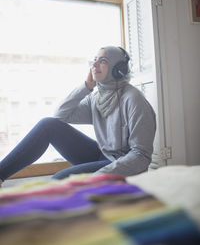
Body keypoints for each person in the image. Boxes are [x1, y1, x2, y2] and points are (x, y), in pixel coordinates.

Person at [0, 46, 156, 186]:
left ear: (118, 69)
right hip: (102, 155)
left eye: (102, 61)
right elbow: (61, 116)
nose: (94, 65)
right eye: (94, 60)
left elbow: (140, 155)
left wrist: (97, 176)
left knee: (59, 181)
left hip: (126, 166)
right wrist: (87, 86)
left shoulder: (133, 98)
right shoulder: (96, 97)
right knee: (47, 125)